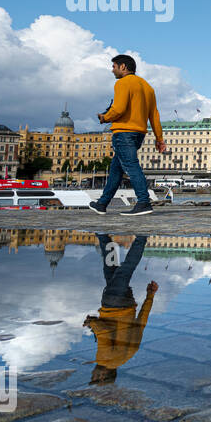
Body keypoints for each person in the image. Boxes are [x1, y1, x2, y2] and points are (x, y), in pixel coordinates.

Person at [89, 54, 166, 216]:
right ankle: (102, 204)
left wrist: (105, 118)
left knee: (131, 166)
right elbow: (154, 115)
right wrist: (159, 138)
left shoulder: (122, 83)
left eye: (114, 67)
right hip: (139, 133)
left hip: (124, 132)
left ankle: (143, 202)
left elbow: (119, 109)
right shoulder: (147, 87)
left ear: (123, 66)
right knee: (116, 169)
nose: (112, 70)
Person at [85, 234, 155, 384]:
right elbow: (104, 331)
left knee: (111, 267)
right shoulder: (104, 359)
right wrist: (91, 323)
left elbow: (142, 322)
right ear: (103, 376)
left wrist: (150, 296)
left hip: (127, 303)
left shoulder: (129, 354)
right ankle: (141, 238)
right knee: (125, 269)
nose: (93, 373)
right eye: (94, 377)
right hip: (112, 303)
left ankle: (104, 237)